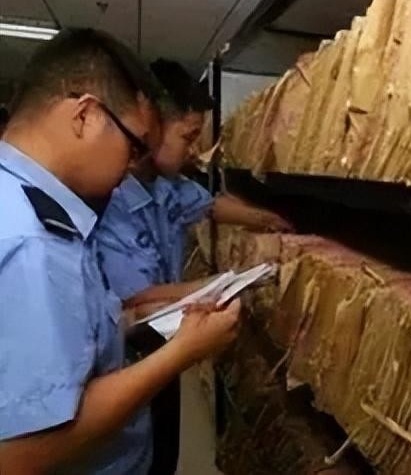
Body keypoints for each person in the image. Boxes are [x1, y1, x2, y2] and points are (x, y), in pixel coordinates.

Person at [0, 29, 241, 474]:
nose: (132, 165)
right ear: (85, 116)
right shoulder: (32, 241)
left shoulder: (21, 203)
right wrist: (183, 352)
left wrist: (130, 322)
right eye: (133, 145)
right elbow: (19, 453)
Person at [93, 58, 292, 474]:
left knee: (164, 450)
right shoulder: (116, 202)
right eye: (187, 137)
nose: (195, 151)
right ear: (152, 125)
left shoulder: (168, 185)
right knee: (138, 451)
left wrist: (271, 220)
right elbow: (135, 299)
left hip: (165, 348)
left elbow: (210, 206)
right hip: (130, 356)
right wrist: (222, 284)